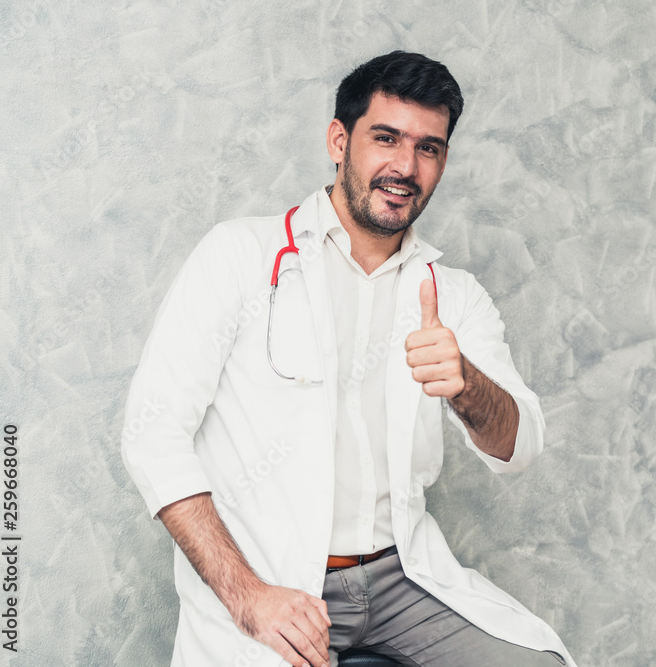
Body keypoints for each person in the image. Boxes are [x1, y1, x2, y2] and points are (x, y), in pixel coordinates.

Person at [121, 50, 575, 667]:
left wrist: (467, 385)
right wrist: (249, 597)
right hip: (276, 580)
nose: (405, 167)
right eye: (385, 138)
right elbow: (152, 437)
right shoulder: (240, 256)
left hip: (403, 581)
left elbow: (518, 450)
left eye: (429, 148)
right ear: (340, 140)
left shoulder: (452, 294)